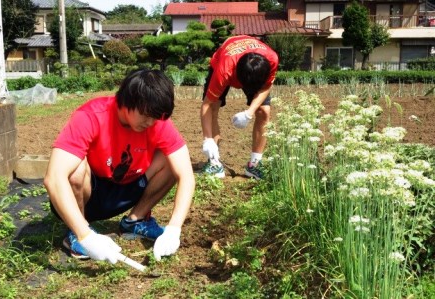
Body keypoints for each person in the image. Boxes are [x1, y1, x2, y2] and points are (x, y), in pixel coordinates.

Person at [44, 69, 195, 264]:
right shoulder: (91, 115)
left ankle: (136, 221)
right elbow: (54, 178)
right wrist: (86, 236)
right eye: (146, 115)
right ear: (128, 101)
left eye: (156, 117)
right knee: (74, 169)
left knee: (172, 160)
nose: (151, 122)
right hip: (92, 194)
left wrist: (174, 229)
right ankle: (77, 232)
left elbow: (187, 176)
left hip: (130, 188)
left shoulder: (157, 122)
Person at [200, 35, 278, 180]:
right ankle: (214, 162)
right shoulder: (224, 71)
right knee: (214, 107)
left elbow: (267, 86)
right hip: (225, 60)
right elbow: (207, 105)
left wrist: (249, 112)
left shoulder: (271, 59)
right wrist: (207, 140)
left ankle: (254, 165)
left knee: (264, 111)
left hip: (253, 68)